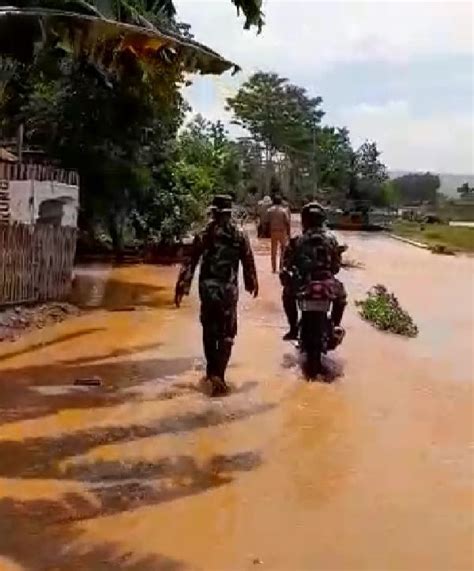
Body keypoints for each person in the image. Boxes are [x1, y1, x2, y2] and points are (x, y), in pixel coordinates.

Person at [175, 195, 259, 396]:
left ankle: (211, 372)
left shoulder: (204, 233)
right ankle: (219, 374)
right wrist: (252, 283)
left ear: (213, 212)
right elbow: (248, 261)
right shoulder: (239, 234)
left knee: (209, 329)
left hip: (208, 289)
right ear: (229, 213)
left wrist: (181, 287)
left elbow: (191, 261)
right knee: (227, 332)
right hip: (228, 291)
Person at [280, 201, 347, 341]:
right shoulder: (332, 239)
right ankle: (335, 325)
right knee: (341, 297)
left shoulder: (296, 240)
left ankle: (293, 328)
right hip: (327, 282)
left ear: (304, 221)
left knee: (287, 295)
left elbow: (286, 264)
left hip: (304, 282)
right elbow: (336, 267)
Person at [267, 194, 291, 273]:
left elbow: (266, 222)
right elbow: (287, 222)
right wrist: (289, 233)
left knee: (273, 251)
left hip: (273, 231)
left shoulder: (270, 211)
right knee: (283, 250)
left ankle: (273, 268)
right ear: (281, 202)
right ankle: (281, 268)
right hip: (282, 232)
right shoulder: (283, 211)